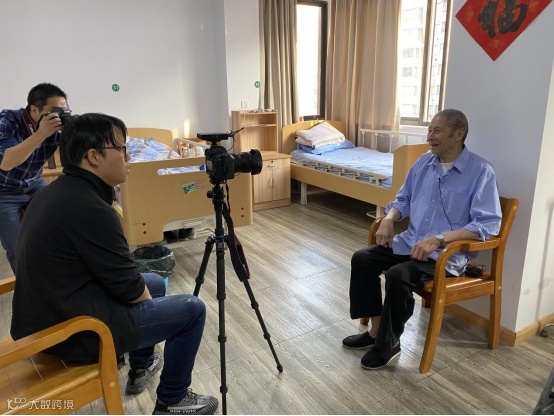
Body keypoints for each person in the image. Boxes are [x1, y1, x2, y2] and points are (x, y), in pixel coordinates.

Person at [10, 113, 218, 415]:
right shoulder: (90, 208)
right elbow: (129, 288)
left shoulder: (58, 191)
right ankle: (172, 400)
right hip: (73, 332)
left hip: (49, 313)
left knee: (154, 281)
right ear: (93, 156)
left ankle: (142, 365)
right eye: (121, 148)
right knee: (192, 310)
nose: (128, 156)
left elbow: (114, 272)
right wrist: (147, 313)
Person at [342, 109, 502, 370]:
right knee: (362, 259)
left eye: (436, 131)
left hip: (444, 256)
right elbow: (403, 199)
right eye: (429, 130)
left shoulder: (481, 171)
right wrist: (389, 218)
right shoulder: (424, 163)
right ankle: (376, 331)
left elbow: (487, 225)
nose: (429, 137)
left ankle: (389, 343)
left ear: (458, 134)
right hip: (411, 243)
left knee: (398, 275)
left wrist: (438, 239)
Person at [0, 83, 69, 272]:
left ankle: (57, 273)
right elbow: (7, 162)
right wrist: (41, 133)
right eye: (54, 112)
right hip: (4, 190)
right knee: (18, 247)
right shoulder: (8, 121)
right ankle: (27, 285)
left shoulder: (58, 126)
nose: (58, 117)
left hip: (33, 183)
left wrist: (73, 129)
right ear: (33, 110)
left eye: (63, 111)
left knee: (60, 225)